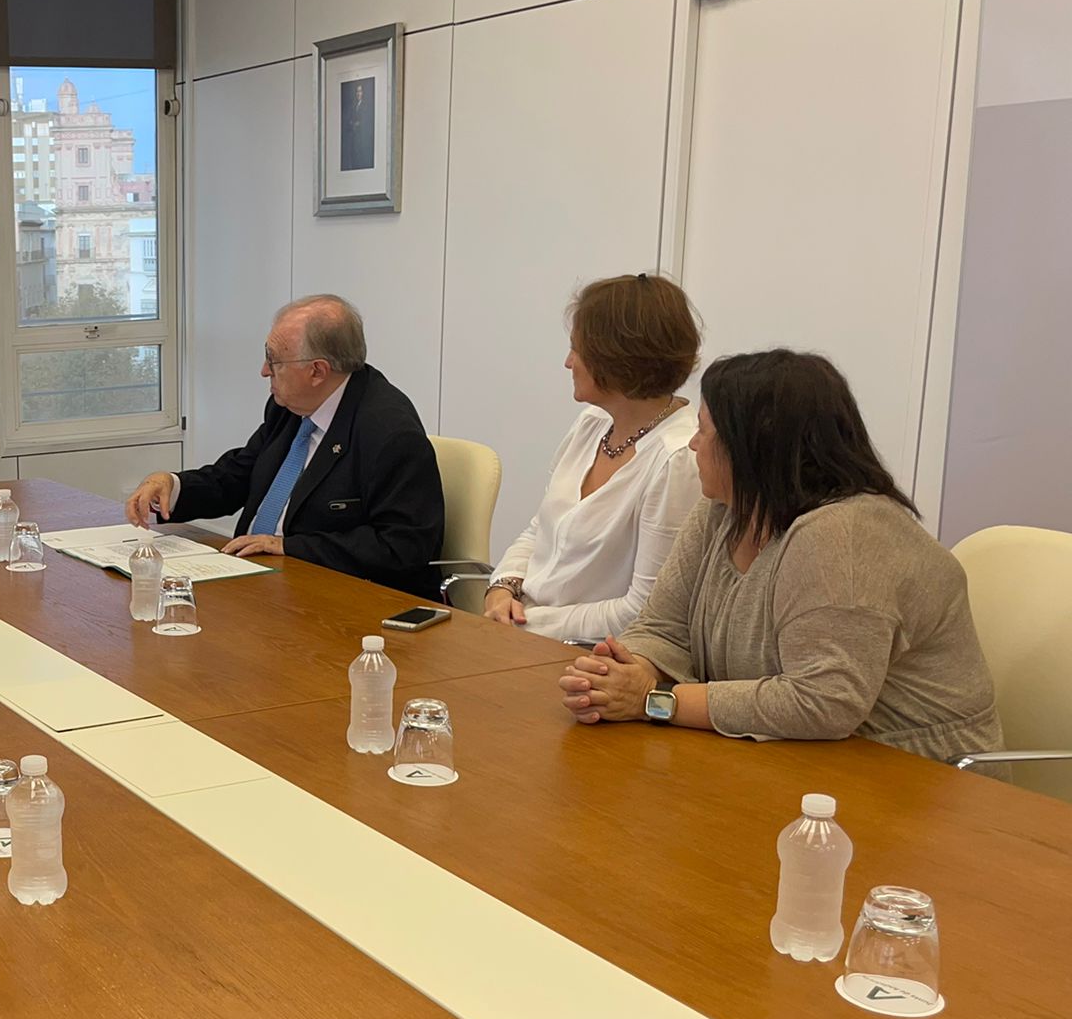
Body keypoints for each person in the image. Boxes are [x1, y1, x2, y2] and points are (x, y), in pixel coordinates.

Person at [559, 349, 1002, 762]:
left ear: (751, 447)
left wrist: (653, 701)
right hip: (790, 758)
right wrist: (621, 677)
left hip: (914, 775)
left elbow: (822, 703)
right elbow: (664, 628)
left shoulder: (841, 535)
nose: (693, 444)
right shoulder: (724, 508)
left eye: (704, 430)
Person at [123, 294, 444, 595]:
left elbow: (402, 546)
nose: (264, 371)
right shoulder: (290, 407)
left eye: (273, 361)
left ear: (317, 371)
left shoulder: (389, 432)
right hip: (260, 580)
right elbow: (240, 475)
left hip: (343, 598)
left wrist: (288, 546)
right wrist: (173, 486)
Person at [486, 274, 704, 640]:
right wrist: (502, 588)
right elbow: (540, 529)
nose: (568, 362)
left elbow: (644, 611)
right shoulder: (592, 423)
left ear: (617, 360)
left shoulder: (678, 460)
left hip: (588, 654)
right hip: (525, 635)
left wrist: (528, 624)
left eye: (577, 350)